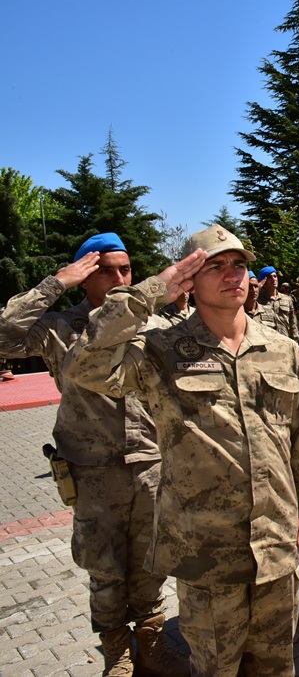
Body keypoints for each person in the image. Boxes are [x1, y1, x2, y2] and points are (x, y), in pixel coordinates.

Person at [63, 225, 299, 676]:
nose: (233, 275)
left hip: (276, 547)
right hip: (207, 556)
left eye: (239, 265)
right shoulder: (161, 350)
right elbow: (84, 365)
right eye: (216, 266)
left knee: (276, 667)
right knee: (215, 669)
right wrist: (151, 291)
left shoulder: (281, 349)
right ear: (188, 279)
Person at [0, 233, 188, 677]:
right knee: (104, 567)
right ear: (84, 276)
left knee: (152, 559)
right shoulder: (60, 327)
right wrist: (56, 283)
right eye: (105, 271)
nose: (120, 279)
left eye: (126, 269)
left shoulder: (153, 325)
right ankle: (117, 650)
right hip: (91, 469)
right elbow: (3, 335)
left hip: (150, 463)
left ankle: (152, 641)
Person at [256, 266, 299, 340]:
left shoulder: (287, 299)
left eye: (275, 276)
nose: (274, 279)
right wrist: (258, 287)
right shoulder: (257, 300)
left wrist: (295, 340)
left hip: (285, 341)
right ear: (263, 281)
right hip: (267, 342)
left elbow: (293, 323)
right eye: (270, 277)